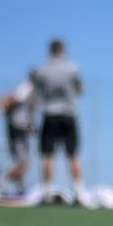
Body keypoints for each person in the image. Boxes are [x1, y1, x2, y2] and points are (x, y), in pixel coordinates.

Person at [30, 38, 85, 198]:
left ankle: (47, 192)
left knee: (47, 155)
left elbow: (37, 93)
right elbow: (80, 90)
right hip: (68, 114)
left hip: (49, 115)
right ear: (63, 50)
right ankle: (79, 192)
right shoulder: (72, 68)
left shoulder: (41, 70)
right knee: (73, 154)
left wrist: (32, 118)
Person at [0, 79, 35, 186]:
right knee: (22, 161)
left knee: (24, 161)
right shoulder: (28, 87)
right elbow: (11, 100)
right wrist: (6, 110)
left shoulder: (35, 90)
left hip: (21, 126)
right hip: (17, 127)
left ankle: (19, 187)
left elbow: (29, 109)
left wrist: (29, 125)